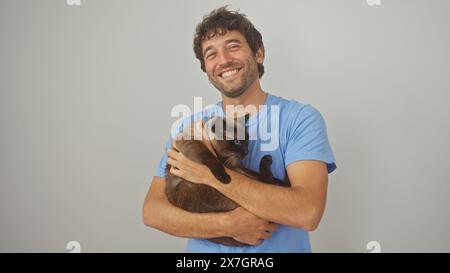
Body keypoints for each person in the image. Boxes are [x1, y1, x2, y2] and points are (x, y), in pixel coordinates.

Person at [142, 6, 337, 253]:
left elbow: (307, 212)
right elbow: (153, 212)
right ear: (206, 69)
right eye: (211, 54)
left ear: (258, 53)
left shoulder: (300, 119)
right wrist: (227, 224)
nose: (223, 60)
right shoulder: (188, 127)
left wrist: (207, 174)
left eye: (233, 46)